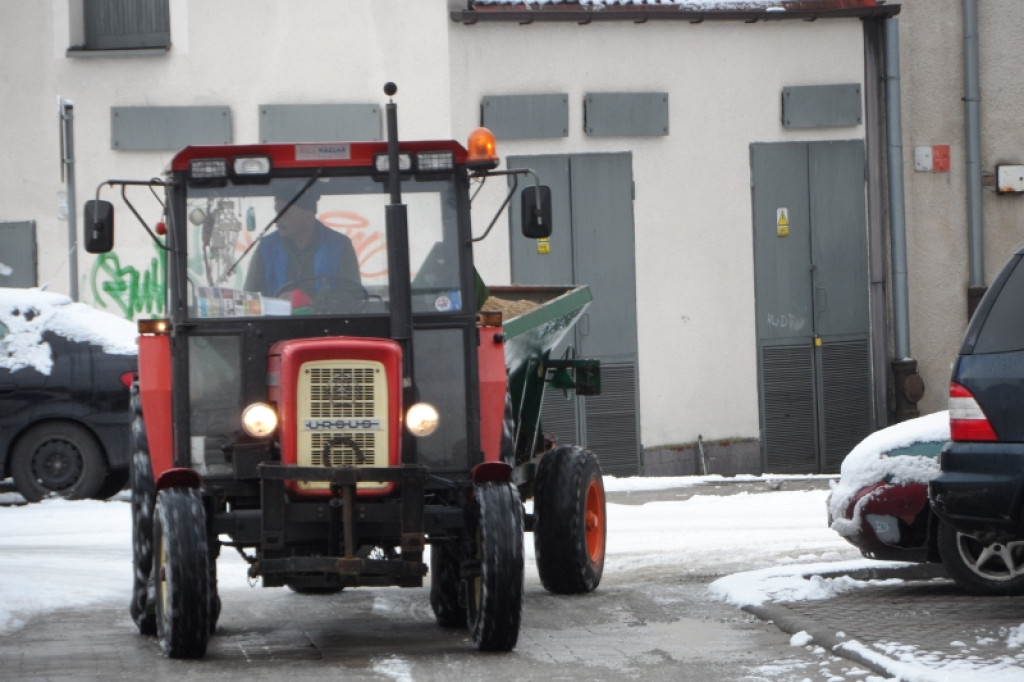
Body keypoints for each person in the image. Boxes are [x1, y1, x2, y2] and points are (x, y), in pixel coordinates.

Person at [245, 192, 363, 308]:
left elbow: (354, 296)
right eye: (277, 213)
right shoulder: (267, 247)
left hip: (327, 324)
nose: (277, 221)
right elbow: (249, 297)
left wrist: (311, 302)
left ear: (307, 216)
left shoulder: (339, 245)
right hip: (276, 325)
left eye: (285, 214)